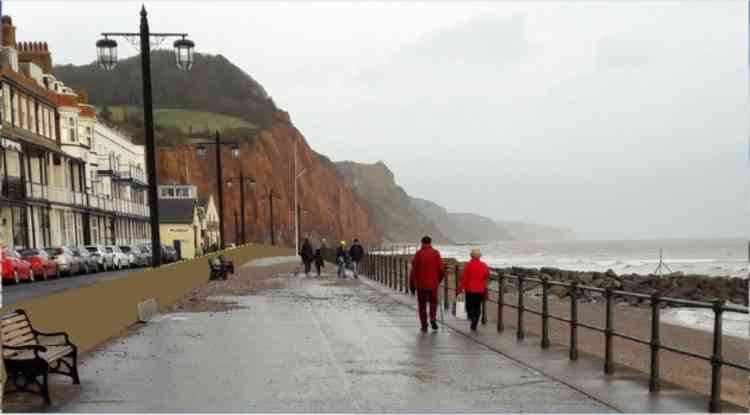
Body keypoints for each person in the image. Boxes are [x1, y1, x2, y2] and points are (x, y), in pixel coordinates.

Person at [409, 236, 445, 332]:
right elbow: (441, 270)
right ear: (430, 242)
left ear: (422, 242)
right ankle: (432, 318)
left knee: (422, 304)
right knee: (433, 302)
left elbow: (413, 271)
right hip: (433, 284)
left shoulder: (418, 254)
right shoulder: (435, 253)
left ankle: (424, 325)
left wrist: (412, 283)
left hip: (421, 284)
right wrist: (439, 280)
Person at [457, 248, 491, 331]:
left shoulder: (468, 265)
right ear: (480, 256)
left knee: (469, 306)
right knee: (477, 306)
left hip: (470, 289)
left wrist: (460, 289)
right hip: (481, 289)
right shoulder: (484, 265)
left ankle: (473, 319)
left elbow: (464, 278)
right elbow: (487, 275)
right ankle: (475, 321)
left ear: (471, 255)